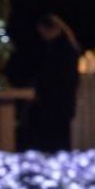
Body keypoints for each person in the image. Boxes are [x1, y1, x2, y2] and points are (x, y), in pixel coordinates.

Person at [28, 13, 81, 151]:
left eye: (43, 31)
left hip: (56, 101)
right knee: (58, 138)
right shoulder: (60, 47)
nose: (42, 36)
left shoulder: (61, 49)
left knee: (56, 139)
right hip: (58, 101)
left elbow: (59, 77)